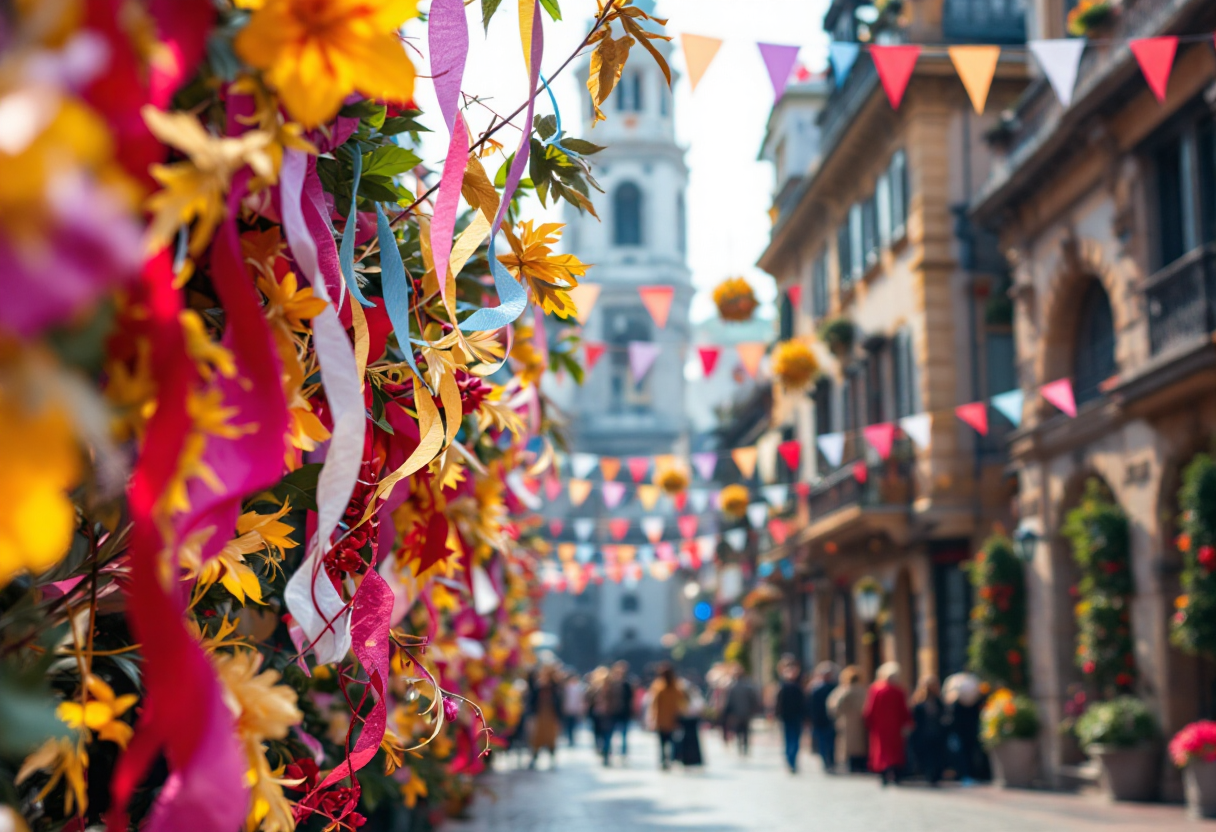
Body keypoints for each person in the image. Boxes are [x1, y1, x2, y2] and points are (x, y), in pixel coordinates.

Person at [863, 661, 911, 786]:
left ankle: (884, 772)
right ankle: (895, 773)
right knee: (894, 750)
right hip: (894, 725)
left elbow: (870, 709)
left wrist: (868, 721)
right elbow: (904, 709)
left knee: (881, 750)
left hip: (880, 725)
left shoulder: (876, 689)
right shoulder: (898, 690)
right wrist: (907, 722)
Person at [944, 671, 984, 784]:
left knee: (965, 755)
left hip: (962, 732)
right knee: (969, 754)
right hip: (968, 732)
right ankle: (969, 774)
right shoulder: (974, 703)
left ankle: (966, 774)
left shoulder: (956, 704)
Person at [827, 665, 869, 773]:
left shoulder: (844, 690)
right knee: (860, 744)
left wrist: (838, 715)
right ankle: (859, 764)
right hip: (861, 721)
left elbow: (834, 705)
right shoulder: (863, 690)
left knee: (848, 745)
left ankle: (851, 764)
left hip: (847, 721)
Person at [647, 663, 686, 770]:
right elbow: (682, 702)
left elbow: (654, 704)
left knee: (662, 743)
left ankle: (664, 760)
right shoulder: (676, 686)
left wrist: (652, 718)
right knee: (672, 741)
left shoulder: (658, 687)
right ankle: (671, 759)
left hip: (662, 720)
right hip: (673, 719)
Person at [910, 675, 947, 785]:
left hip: (937, 732)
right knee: (927, 756)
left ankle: (935, 775)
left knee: (937, 755)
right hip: (924, 733)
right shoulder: (919, 701)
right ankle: (929, 774)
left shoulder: (938, 701)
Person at [806, 661, 839, 774]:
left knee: (829, 742)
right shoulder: (816, 688)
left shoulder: (833, 687)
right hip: (821, 720)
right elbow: (810, 706)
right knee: (824, 742)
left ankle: (830, 761)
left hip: (828, 720)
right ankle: (827, 761)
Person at [775, 660, 806, 773]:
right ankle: (790, 761)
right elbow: (778, 704)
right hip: (787, 717)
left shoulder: (799, 686)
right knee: (789, 739)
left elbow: (804, 703)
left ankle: (793, 760)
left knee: (795, 740)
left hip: (796, 717)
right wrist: (777, 716)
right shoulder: (783, 687)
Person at [527, 664, 561, 770]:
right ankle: (534, 758)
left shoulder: (555, 687)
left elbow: (559, 702)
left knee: (551, 738)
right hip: (540, 715)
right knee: (537, 738)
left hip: (551, 716)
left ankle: (552, 760)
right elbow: (532, 700)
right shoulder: (538, 686)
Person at [722, 665, 761, 755]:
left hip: (737, 713)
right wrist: (754, 709)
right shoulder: (748, 686)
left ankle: (741, 746)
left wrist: (727, 713)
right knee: (745, 730)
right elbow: (754, 699)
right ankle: (745, 746)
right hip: (746, 712)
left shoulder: (732, 687)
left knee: (739, 730)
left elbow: (729, 702)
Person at [586, 666, 615, 766]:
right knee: (602, 735)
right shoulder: (594, 688)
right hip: (598, 716)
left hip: (607, 715)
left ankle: (605, 752)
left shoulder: (612, 689)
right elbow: (589, 700)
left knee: (606, 736)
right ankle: (604, 751)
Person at [678, 678, 705, 767]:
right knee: (688, 740)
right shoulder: (683, 699)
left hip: (690, 721)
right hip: (688, 721)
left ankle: (691, 759)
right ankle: (688, 758)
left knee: (691, 740)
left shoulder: (692, 697)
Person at [610, 661, 634, 760]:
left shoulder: (626, 684)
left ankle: (622, 753)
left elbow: (630, 699)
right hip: (614, 713)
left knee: (623, 735)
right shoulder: (612, 684)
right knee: (612, 734)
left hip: (623, 713)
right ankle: (611, 752)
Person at [560, 669, 586, 747]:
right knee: (568, 725)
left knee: (573, 725)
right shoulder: (565, 688)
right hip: (567, 708)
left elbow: (581, 699)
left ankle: (571, 738)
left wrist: (581, 709)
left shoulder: (579, 688)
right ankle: (569, 737)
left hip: (575, 709)